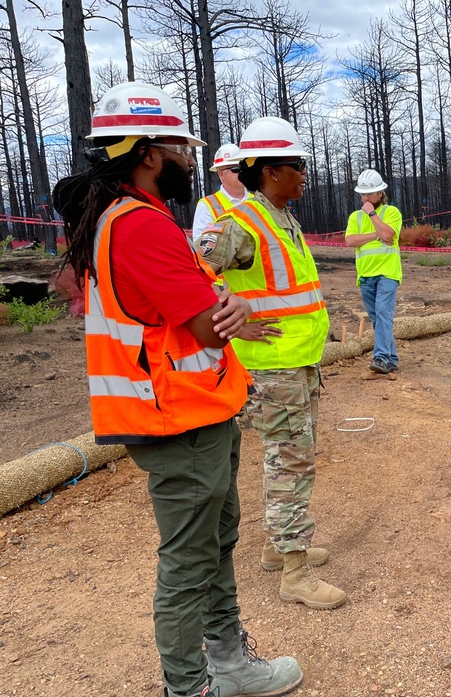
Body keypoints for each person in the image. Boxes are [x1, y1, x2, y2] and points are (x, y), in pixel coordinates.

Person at [51, 83, 302, 697]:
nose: (193, 162)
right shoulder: (139, 224)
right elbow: (205, 323)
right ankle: (189, 688)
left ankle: (230, 664)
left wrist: (215, 300)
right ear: (149, 153)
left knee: (216, 540)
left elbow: (152, 301)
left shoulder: (120, 218)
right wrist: (231, 303)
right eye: (183, 150)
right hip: (175, 418)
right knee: (191, 561)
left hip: (191, 411)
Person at [199, 116, 346, 611]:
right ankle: (295, 573)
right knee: (291, 461)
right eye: (295, 166)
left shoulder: (282, 216)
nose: (303, 174)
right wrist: (230, 322)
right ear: (266, 171)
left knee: (287, 457)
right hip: (271, 368)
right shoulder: (240, 222)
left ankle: (276, 547)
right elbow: (190, 276)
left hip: (297, 361)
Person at [344, 168, 402, 374]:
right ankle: (392, 358)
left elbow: (388, 233)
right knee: (377, 318)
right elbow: (350, 240)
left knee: (384, 315)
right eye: (363, 194)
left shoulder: (391, 212)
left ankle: (381, 357)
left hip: (387, 272)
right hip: (366, 274)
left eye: (370, 194)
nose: (365, 198)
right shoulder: (354, 217)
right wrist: (376, 236)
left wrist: (372, 214)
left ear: (380, 194)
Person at [192, 143, 247, 244]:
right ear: (221, 174)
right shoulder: (207, 205)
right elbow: (200, 246)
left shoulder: (257, 199)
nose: (242, 172)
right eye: (236, 169)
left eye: (244, 168)